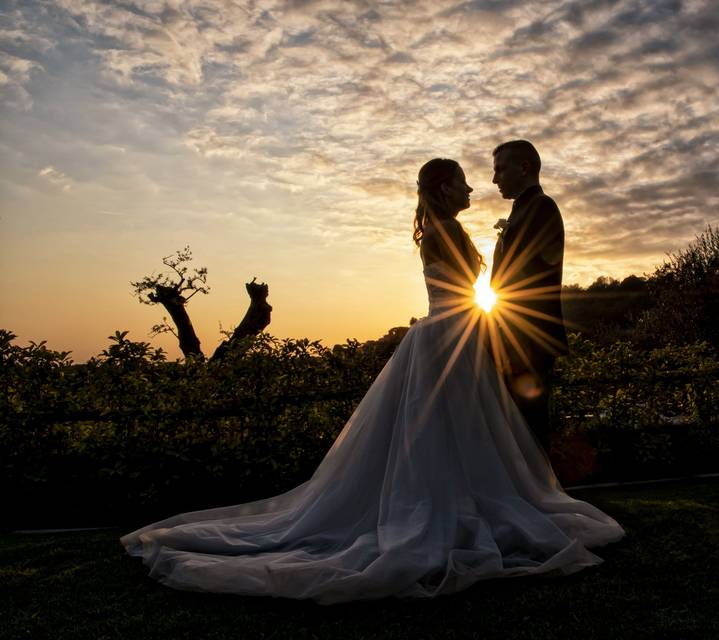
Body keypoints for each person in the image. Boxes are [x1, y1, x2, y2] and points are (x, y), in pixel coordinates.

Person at [120, 158, 623, 605]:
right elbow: (468, 284)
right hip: (452, 334)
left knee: (455, 434)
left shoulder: (443, 227)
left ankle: (464, 502)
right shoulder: (443, 231)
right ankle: (450, 511)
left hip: (455, 334)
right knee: (451, 433)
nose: (475, 188)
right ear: (445, 187)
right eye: (465, 182)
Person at [490, 140, 568, 449]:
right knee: (514, 426)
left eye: (499, 170)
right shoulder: (523, 208)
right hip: (513, 336)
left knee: (529, 426)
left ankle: (539, 492)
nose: (495, 179)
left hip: (528, 338)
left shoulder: (541, 206)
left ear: (524, 168)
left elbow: (524, 276)